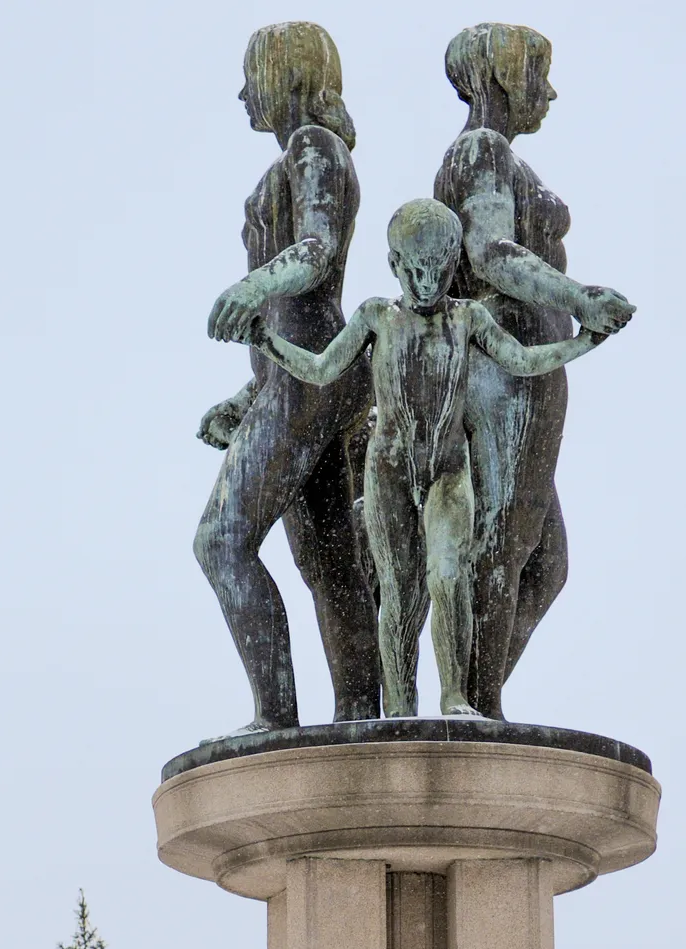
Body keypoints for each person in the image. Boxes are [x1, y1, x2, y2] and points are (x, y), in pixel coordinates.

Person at [221, 199, 627, 719]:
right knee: (399, 591)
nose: (427, 282)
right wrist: (266, 341)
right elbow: (322, 371)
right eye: (414, 271)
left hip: (447, 471)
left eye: (438, 269)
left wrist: (585, 340)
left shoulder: (468, 317)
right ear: (394, 265)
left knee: (447, 572)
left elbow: (524, 362)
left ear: (454, 260)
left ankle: (454, 696)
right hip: (389, 471)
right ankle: (401, 707)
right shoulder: (376, 316)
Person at [434, 23, 634, 717]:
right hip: (505, 371)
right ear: (497, 77)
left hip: (531, 369)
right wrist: (580, 298)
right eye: (536, 75)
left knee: (542, 562)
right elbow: (488, 252)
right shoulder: (481, 150)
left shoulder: (500, 158)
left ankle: (474, 696)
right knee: (509, 542)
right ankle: (476, 705)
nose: (547, 92)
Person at [194, 22, 378, 734]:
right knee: (329, 560)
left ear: (287, 76)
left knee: (222, 541)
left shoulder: (313, 146)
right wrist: (247, 398)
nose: (245, 93)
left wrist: (250, 288)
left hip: (309, 375)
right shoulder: (293, 160)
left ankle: (276, 715)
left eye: (254, 75)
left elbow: (316, 249)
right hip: (301, 376)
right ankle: (361, 711)